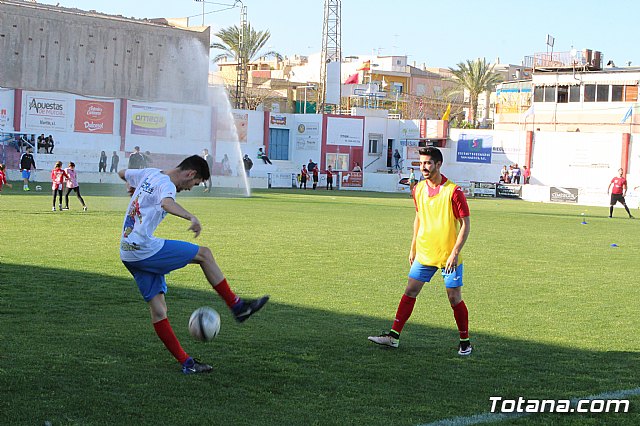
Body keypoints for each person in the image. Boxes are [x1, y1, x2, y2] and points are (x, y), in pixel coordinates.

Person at [118, 155, 269, 374]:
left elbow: (122, 173)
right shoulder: (166, 185)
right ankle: (238, 307)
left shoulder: (150, 174)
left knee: (159, 311)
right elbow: (166, 203)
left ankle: (187, 364)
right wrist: (191, 217)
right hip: (143, 248)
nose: (190, 188)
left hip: (127, 251)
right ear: (190, 174)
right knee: (204, 255)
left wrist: (132, 185)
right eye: (194, 184)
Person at [368, 146, 472, 356]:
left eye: (427, 163)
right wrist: (413, 246)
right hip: (424, 253)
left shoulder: (454, 191)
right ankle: (393, 337)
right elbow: (419, 218)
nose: (423, 167)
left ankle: (465, 342)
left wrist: (454, 253)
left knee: (454, 299)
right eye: (421, 163)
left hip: (447, 256)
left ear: (438, 164)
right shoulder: (418, 190)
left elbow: (466, 225)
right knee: (410, 291)